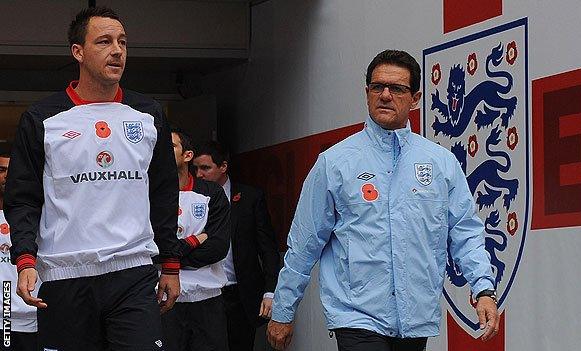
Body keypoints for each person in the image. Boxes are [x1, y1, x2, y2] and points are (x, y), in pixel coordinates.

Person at [266, 50, 499, 351]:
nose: (385, 95)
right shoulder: (335, 163)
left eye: (397, 89)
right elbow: (304, 243)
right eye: (378, 87)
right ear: (367, 93)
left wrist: (483, 289)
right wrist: (283, 311)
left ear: (415, 99)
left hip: (415, 316)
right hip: (356, 316)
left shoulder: (441, 163)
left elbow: (465, 233)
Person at [4, 7, 182, 350]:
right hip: (65, 275)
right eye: (104, 41)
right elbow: (23, 196)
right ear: (78, 52)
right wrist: (25, 259)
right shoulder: (42, 118)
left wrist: (171, 264)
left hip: (132, 271)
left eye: (123, 42)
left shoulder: (149, 115)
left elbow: (163, 193)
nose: (117, 50)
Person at [193, 142, 280, 351]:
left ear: (223, 167)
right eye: (195, 169)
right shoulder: (190, 198)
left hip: (240, 296)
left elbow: (267, 248)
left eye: (205, 168)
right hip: (204, 292)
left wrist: (270, 291)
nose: (199, 174)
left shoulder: (250, 198)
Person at [161, 129, 231, 351]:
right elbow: (150, 248)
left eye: (170, 146)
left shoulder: (212, 192)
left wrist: (170, 255)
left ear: (187, 155)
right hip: (162, 298)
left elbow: (218, 247)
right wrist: (193, 241)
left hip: (207, 297)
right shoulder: (149, 194)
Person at [0, 150, 37, 351]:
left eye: (11, 170)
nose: (7, 176)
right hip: (4, 320)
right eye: (1, 170)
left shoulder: (35, 218)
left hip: (37, 317)